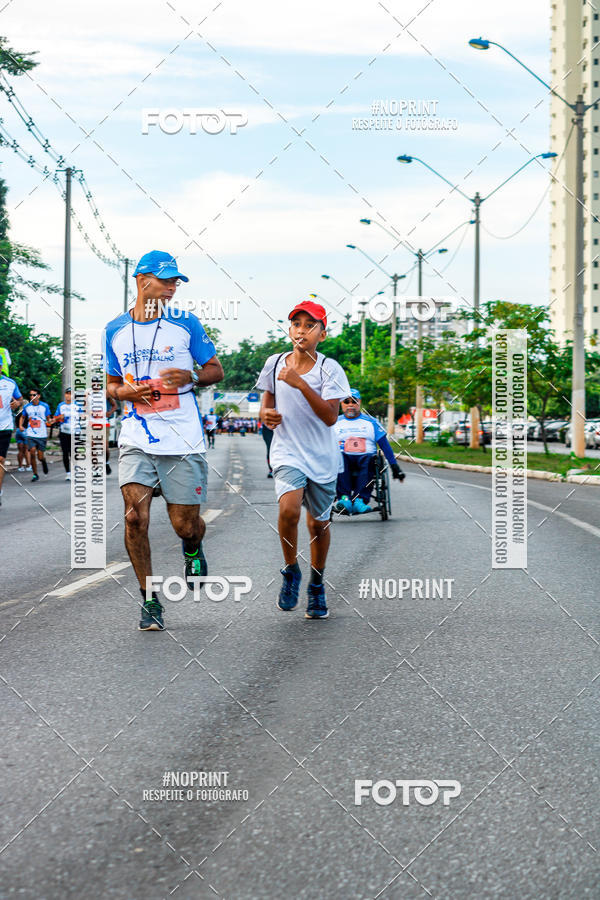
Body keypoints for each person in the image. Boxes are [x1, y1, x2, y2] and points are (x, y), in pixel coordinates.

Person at [104, 250, 224, 632]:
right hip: (137, 436)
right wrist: (125, 393)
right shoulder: (114, 330)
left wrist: (191, 376)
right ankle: (150, 599)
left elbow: (216, 370)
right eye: (166, 280)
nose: (173, 287)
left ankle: (193, 546)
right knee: (133, 517)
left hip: (182, 439)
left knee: (184, 525)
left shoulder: (185, 323)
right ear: (142, 280)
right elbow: (110, 384)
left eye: (176, 281)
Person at [257, 299, 350, 619]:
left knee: (318, 524)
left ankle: (317, 584)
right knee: (289, 510)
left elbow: (330, 417)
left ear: (322, 334)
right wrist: (266, 414)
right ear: (289, 330)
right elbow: (267, 402)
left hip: (322, 456)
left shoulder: (330, 368)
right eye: (296, 324)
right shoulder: (274, 363)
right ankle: (291, 569)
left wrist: (300, 384)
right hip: (287, 451)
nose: (302, 330)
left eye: (310, 326)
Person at [334, 389, 405, 514]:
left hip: (366, 457)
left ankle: (360, 500)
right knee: (338, 458)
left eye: (354, 401)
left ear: (359, 402)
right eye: (346, 402)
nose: (350, 405)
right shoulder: (334, 422)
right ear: (341, 404)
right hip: (343, 457)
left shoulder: (371, 422)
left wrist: (394, 466)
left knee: (370, 460)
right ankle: (344, 499)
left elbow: (384, 445)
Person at [0, 370, 23, 505]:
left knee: (1, 459)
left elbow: (21, 399)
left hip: (5, 426)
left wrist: (18, 403)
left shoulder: (10, 383)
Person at [20, 388, 52, 482]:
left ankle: (43, 461)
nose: (32, 397)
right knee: (32, 452)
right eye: (30, 395)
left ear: (39, 396)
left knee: (40, 456)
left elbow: (49, 419)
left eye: (34, 395)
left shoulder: (44, 406)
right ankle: (35, 474)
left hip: (42, 434)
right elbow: (22, 417)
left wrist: (50, 421)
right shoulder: (27, 407)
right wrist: (20, 425)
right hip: (31, 433)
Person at [54, 387, 75, 480]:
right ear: (65, 394)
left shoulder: (77, 405)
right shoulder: (61, 405)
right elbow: (55, 417)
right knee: (65, 453)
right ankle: (68, 473)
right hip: (64, 431)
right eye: (67, 393)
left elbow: (84, 416)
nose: (68, 395)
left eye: (70, 394)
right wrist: (60, 417)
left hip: (74, 432)